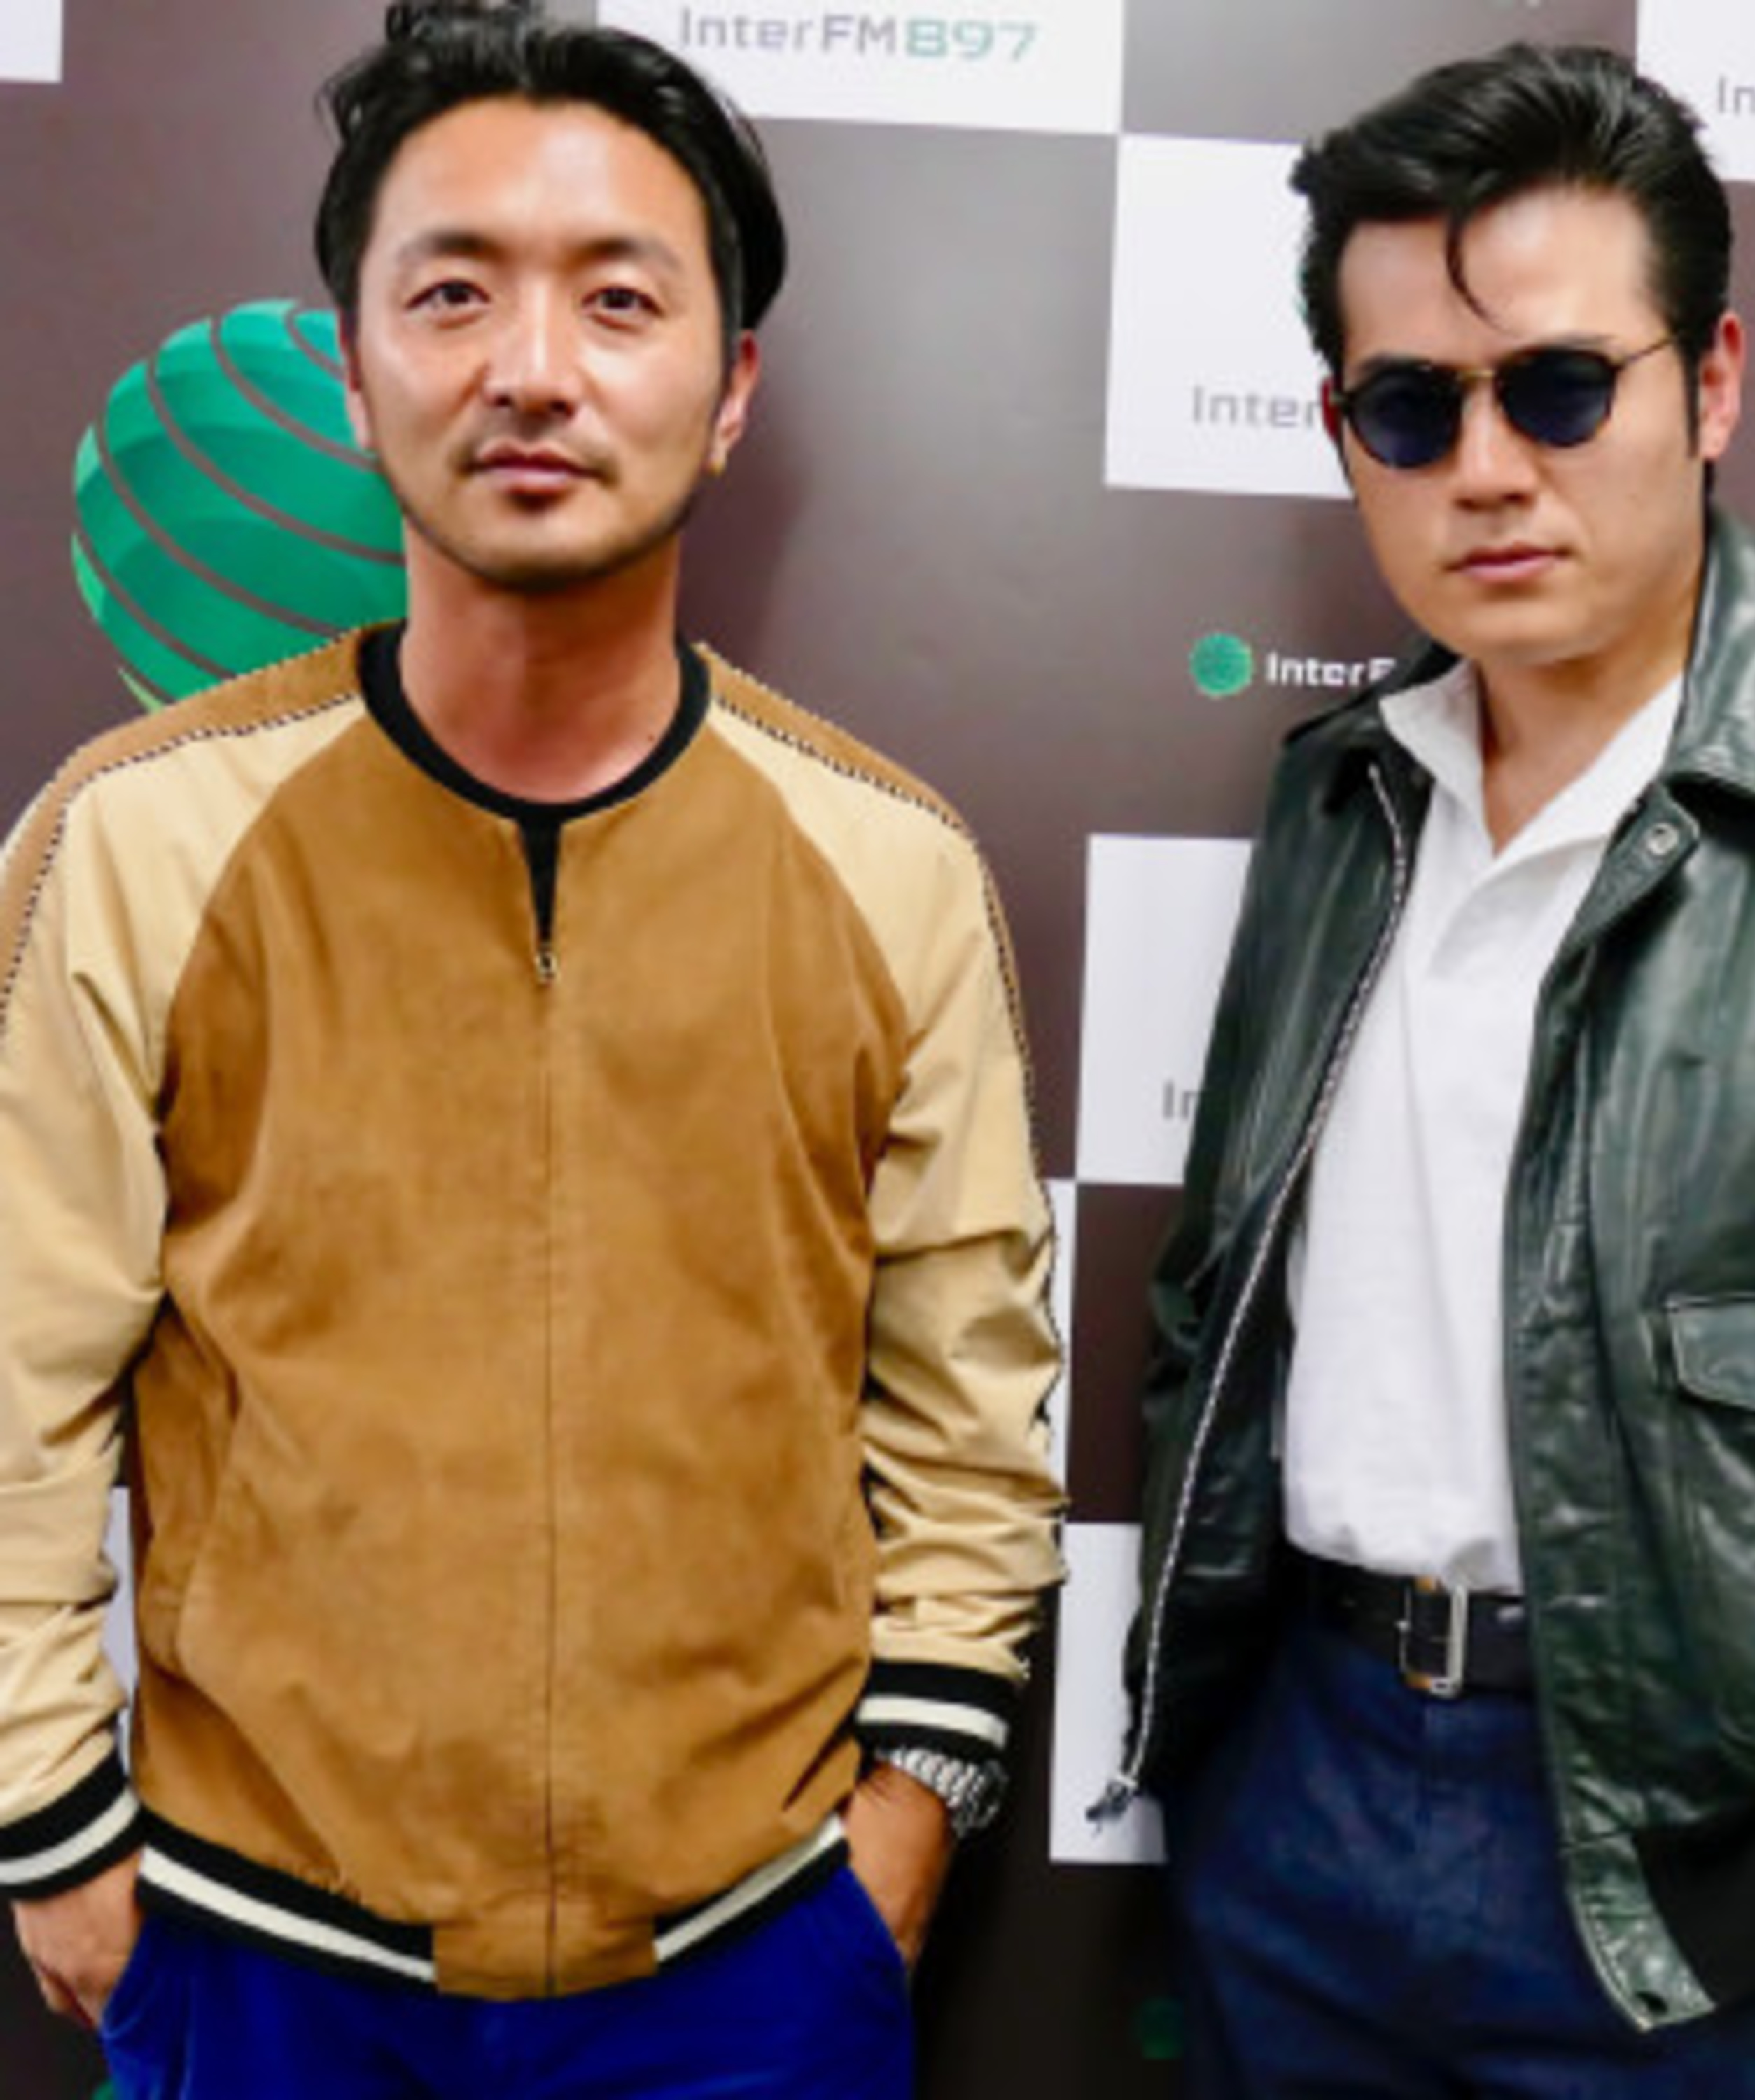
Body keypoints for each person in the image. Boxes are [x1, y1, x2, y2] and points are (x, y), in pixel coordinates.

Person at [0, 4, 1061, 2093]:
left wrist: (903, 1835)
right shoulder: (131, 841)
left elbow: (969, 1416)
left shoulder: (894, 865)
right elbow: (15, 1389)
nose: (534, 369)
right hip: (252, 1962)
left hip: (761, 1967)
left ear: (732, 388)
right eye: (455, 292)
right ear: (352, 367)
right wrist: (54, 1839)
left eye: (619, 298)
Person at [1110, 39, 1755, 2099]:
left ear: (1711, 383)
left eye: (1560, 388)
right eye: (1411, 408)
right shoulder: (1338, 796)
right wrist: (1223, 1758)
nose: (1486, 468)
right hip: (1301, 1806)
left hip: (1714, 1880)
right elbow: (1223, 1299)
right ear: (1345, 432)